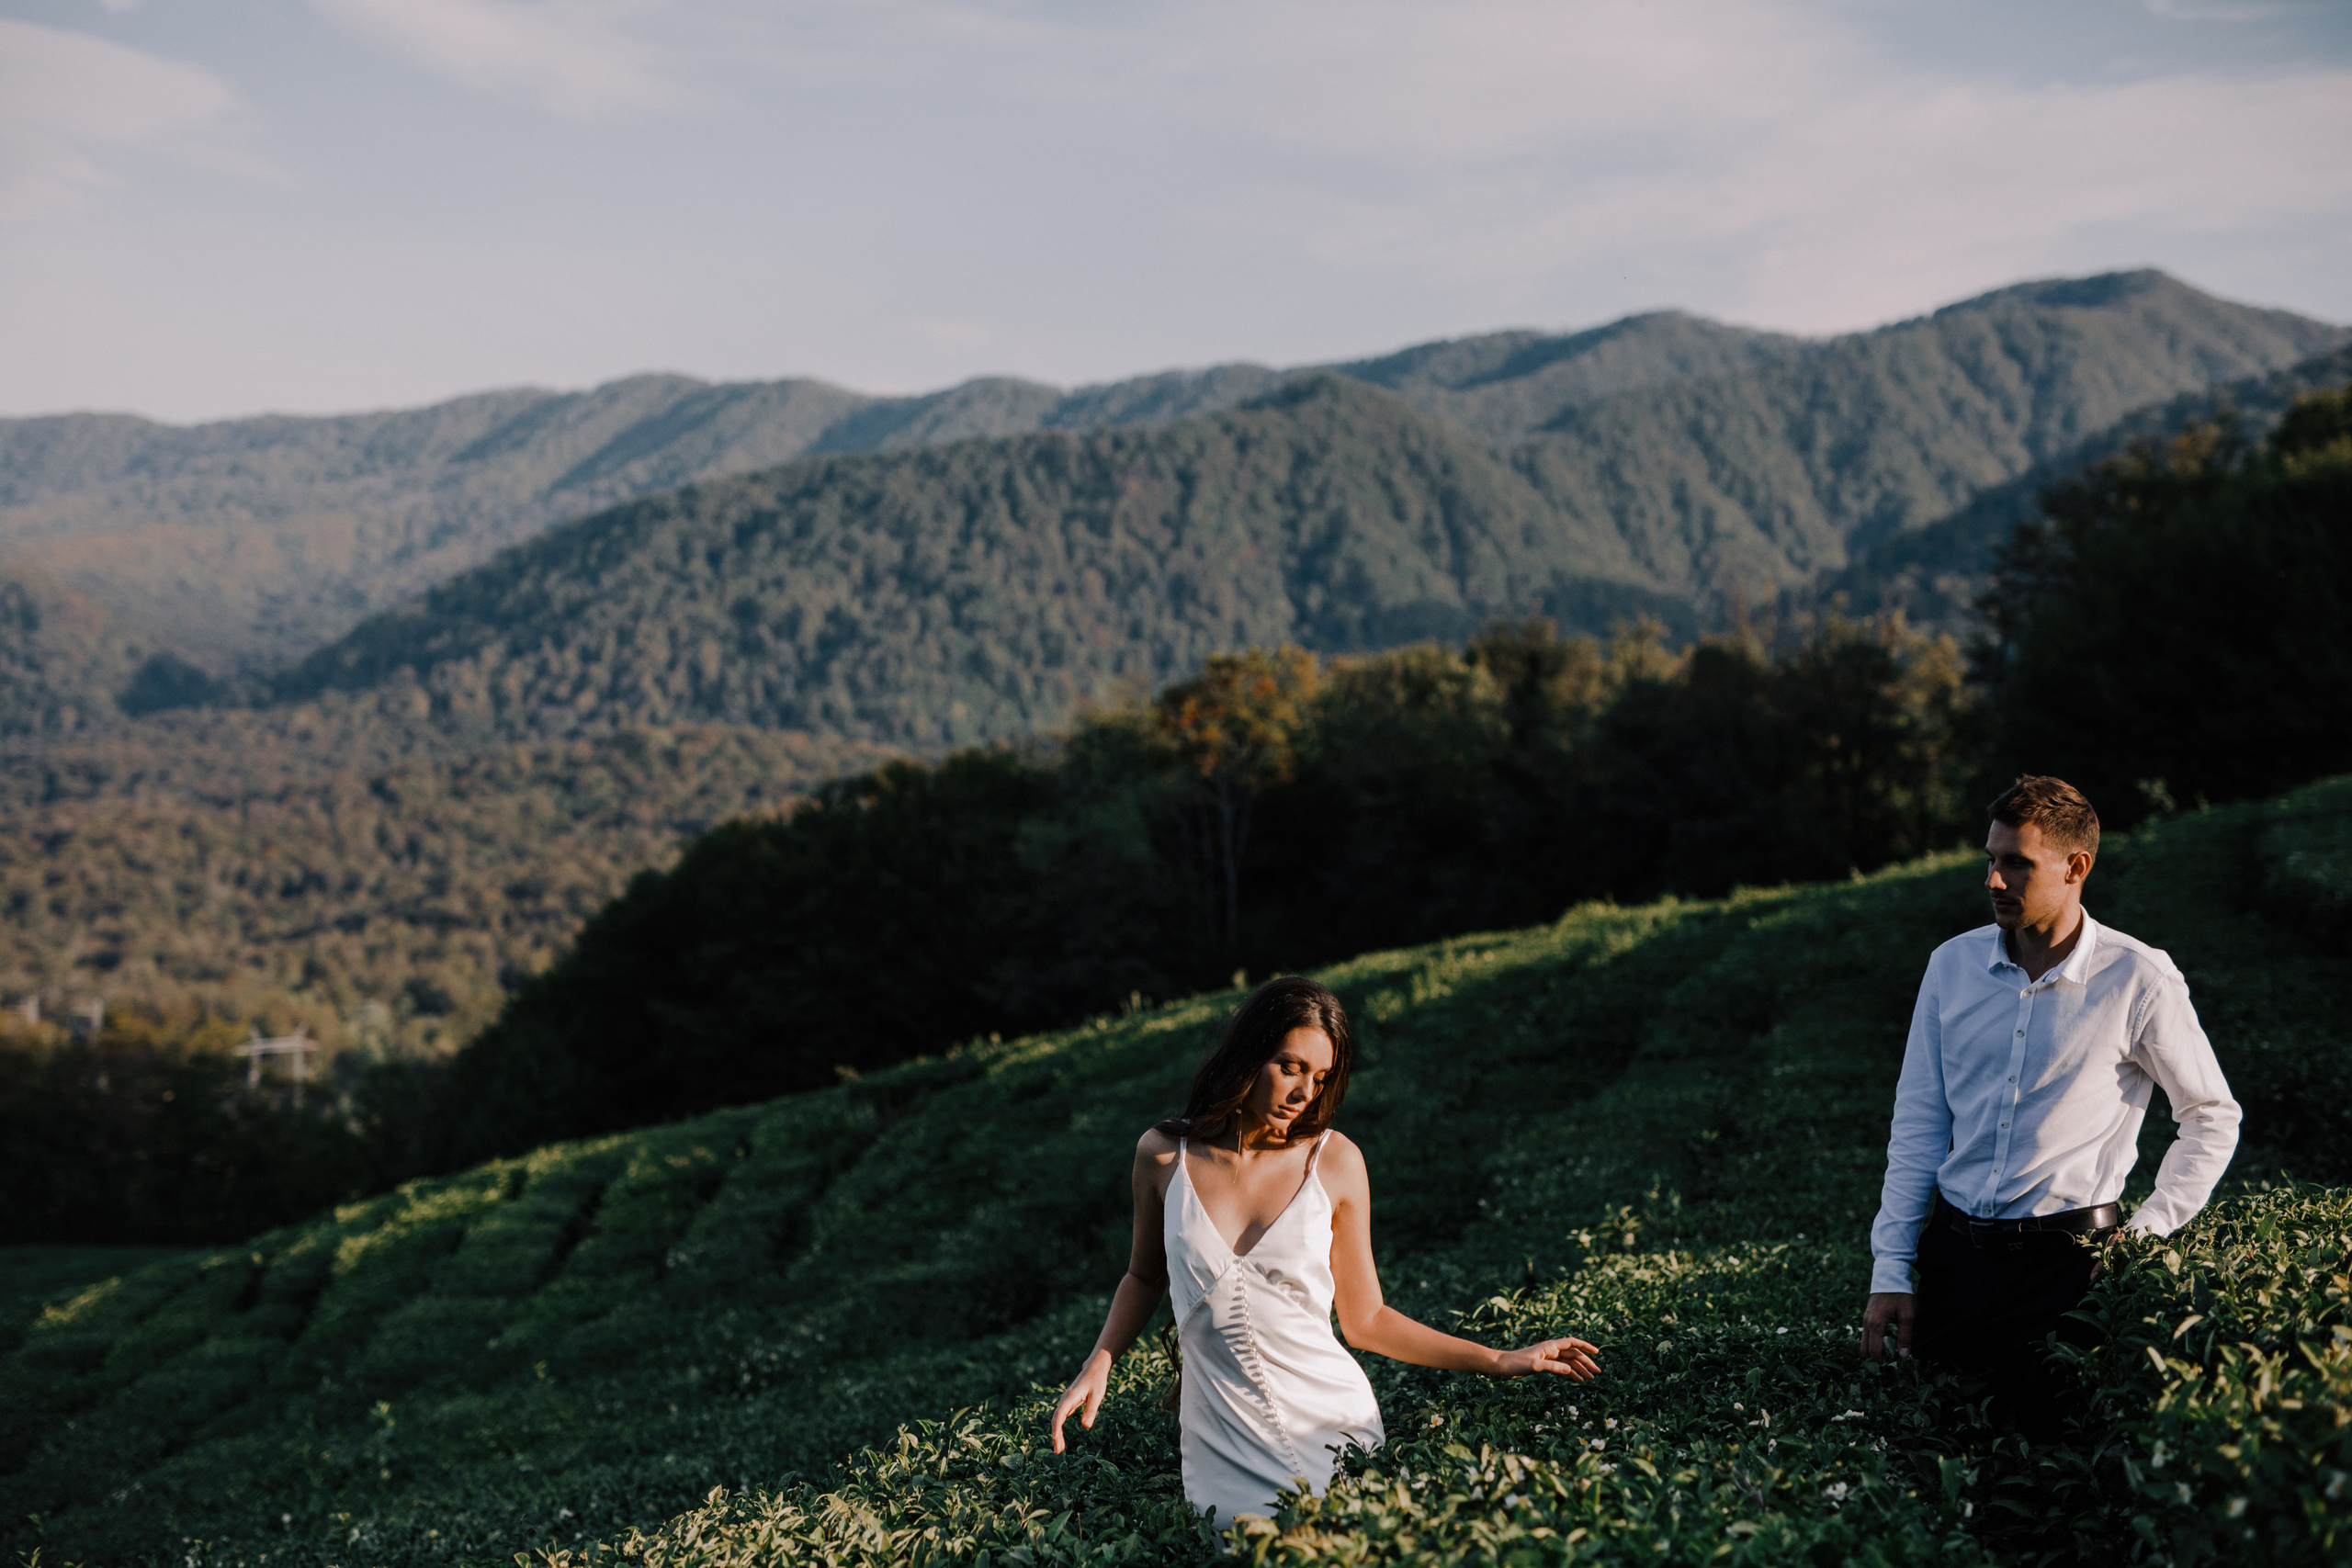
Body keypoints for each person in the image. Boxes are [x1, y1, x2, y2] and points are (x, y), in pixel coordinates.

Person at [1049, 976, 1600, 1526]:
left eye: (1320, 1077)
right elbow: (1144, 1279)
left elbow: (1367, 1320)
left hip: (1331, 1429)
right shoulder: (1163, 1156)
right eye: (1289, 1067)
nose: (1304, 1093)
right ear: (1246, 1055)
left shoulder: (1335, 1162)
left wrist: (1499, 1360)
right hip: (1221, 1442)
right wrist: (1099, 1362)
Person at [1860, 776, 2241, 1433]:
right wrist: (1891, 1267)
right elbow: (1919, 1124)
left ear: (2076, 867)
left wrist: (2144, 1239)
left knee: (2053, 1477)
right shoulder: (1949, 967)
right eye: (1991, 858)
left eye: (2016, 863)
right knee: (1935, 1471)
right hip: (1954, 1264)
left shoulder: (2138, 977)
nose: (1994, 880)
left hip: (2069, 1276)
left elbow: (2211, 1115)